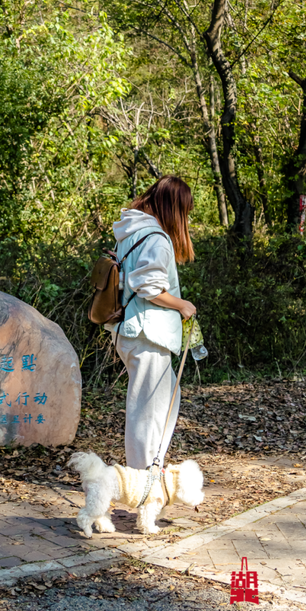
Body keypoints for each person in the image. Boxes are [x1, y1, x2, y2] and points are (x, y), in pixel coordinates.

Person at [106, 176, 197, 471]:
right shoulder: (156, 238)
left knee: (163, 399)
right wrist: (181, 305)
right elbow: (149, 287)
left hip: (131, 329)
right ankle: (144, 477)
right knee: (149, 410)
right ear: (173, 207)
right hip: (148, 333)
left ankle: (148, 470)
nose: (185, 219)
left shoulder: (131, 232)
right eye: (184, 211)